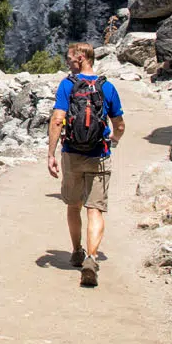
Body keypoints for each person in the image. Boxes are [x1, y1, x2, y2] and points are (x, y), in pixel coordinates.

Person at [46, 42, 125, 287]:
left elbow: (58, 120)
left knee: (73, 205)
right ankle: (92, 257)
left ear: (80, 58)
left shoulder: (68, 85)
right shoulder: (107, 87)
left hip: (72, 154)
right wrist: (114, 139)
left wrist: (51, 153)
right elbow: (119, 125)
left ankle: (77, 250)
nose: (67, 62)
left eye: (69, 58)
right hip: (98, 154)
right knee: (95, 209)